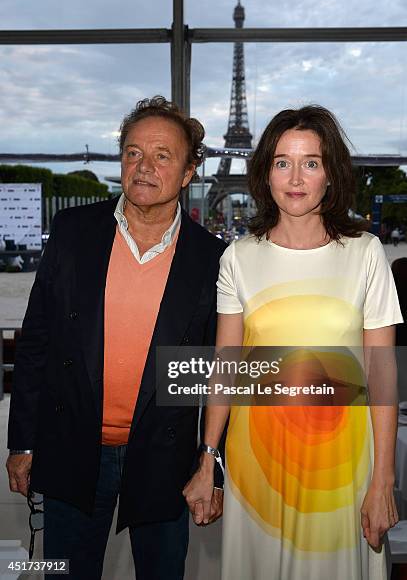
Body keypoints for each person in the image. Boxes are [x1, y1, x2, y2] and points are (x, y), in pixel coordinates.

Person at [6, 96, 226, 580]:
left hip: (164, 455)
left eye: (162, 156)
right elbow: (37, 340)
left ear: (188, 172)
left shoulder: (214, 258)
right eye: (132, 153)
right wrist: (22, 440)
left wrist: (213, 464)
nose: (143, 167)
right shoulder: (73, 231)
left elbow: (217, 369)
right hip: (72, 445)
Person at [183, 105, 402, 579]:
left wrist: (384, 479)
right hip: (257, 460)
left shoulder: (366, 254)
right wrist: (208, 459)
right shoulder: (238, 258)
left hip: (341, 462)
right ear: (265, 173)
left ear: (331, 173)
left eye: (311, 162)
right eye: (282, 162)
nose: (295, 177)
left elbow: (381, 371)